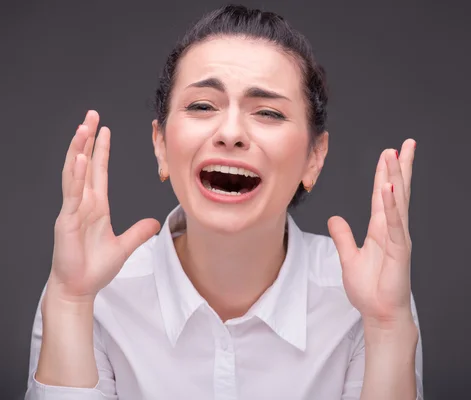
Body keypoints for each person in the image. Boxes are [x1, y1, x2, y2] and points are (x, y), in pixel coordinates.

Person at [25, 5, 423, 400]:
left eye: (268, 112)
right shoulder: (93, 292)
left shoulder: (364, 300)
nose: (230, 132)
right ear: (161, 145)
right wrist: (70, 300)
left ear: (314, 157)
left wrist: (387, 327)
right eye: (202, 106)